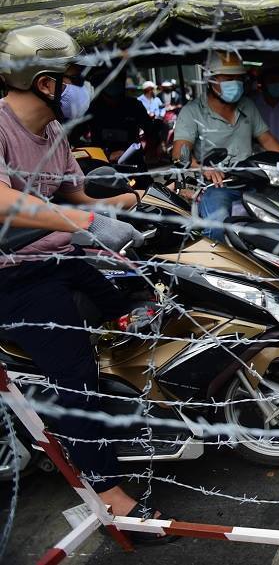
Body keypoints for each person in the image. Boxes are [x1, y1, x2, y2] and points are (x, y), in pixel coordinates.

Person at [0, 26, 171, 534]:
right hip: (13, 276)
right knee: (74, 373)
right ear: (46, 82)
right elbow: (6, 201)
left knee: (141, 295)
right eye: (76, 78)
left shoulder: (53, 134)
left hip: (57, 259)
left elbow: (76, 199)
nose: (83, 88)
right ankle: (106, 487)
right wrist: (87, 224)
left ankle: (142, 409)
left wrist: (139, 200)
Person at [171, 51, 279, 242]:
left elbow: (268, 141)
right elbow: (179, 153)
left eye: (238, 78)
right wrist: (203, 169)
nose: (235, 83)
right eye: (228, 78)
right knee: (217, 226)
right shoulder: (192, 111)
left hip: (255, 180)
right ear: (210, 79)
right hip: (217, 185)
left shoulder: (248, 106)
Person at [74, 68, 151, 161]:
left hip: (133, 160)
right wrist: (103, 153)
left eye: (116, 80)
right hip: (102, 162)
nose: (114, 100)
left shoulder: (134, 105)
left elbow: (150, 130)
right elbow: (74, 137)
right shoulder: (93, 109)